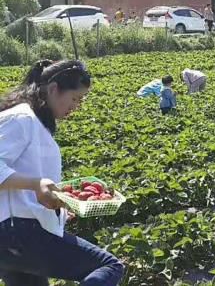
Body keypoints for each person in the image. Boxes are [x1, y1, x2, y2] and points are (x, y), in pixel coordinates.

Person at [0, 60, 124, 285]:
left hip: (13, 237)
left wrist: (61, 207)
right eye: (75, 98)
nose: (76, 106)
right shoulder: (21, 118)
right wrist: (36, 184)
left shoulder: (35, 123)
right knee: (108, 265)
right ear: (54, 89)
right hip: (17, 232)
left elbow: (23, 185)